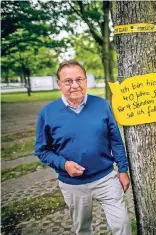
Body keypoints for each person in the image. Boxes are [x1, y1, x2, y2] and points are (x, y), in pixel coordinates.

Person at [35, 60, 132, 235]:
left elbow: (115, 140)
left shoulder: (102, 105)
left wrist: (123, 170)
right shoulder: (47, 113)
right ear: (59, 84)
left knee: (122, 224)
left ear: (86, 80)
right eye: (68, 81)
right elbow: (42, 150)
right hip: (73, 185)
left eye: (79, 79)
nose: (75, 85)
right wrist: (64, 165)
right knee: (82, 229)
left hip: (106, 179)